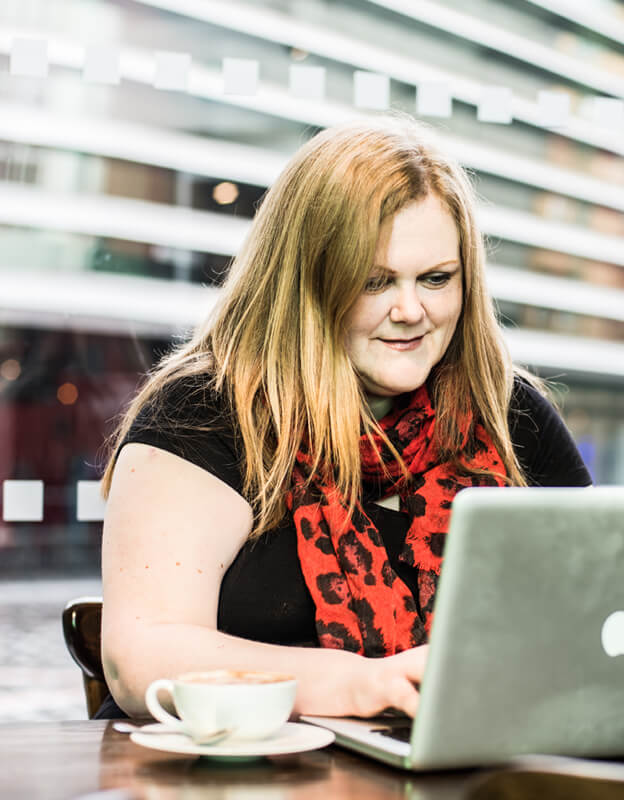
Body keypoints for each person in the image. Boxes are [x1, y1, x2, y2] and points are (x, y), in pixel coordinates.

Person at [98, 116, 592, 720]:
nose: (411, 310)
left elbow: (603, 608)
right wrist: (365, 685)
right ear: (305, 282)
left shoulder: (507, 412)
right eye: (375, 282)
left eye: (437, 279)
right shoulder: (202, 412)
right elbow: (140, 658)